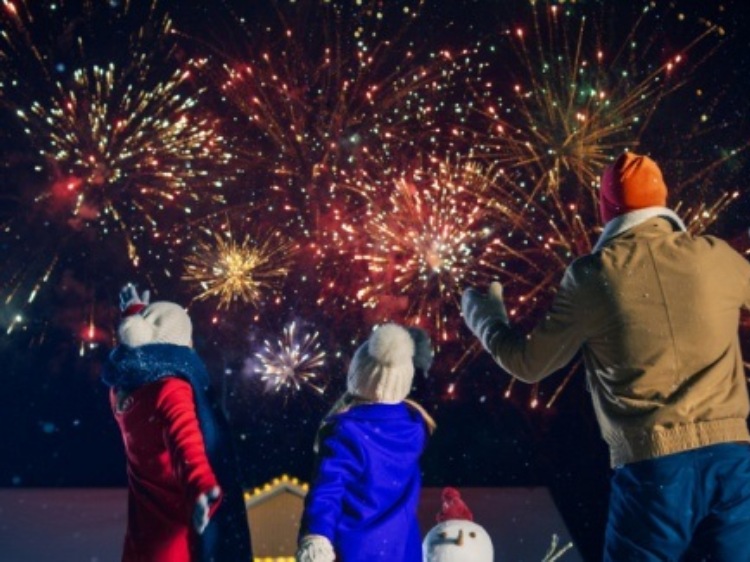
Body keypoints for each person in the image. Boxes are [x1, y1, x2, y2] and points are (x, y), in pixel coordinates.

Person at [461, 151, 750, 561]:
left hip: (654, 471)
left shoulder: (593, 277)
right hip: (734, 463)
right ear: (663, 200)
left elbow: (528, 364)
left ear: (606, 209)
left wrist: (486, 318)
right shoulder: (716, 256)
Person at [101, 284, 252, 562]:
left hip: (141, 536)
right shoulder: (170, 388)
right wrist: (202, 487)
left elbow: (140, 344)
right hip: (175, 539)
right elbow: (187, 443)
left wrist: (135, 313)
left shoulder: (123, 390)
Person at [296, 323, 436, 562]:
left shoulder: (348, 431)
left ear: (359, 375)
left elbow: (328, 490)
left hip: (354, 552)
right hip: (403, 552)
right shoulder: (414, 427)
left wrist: (317, 536)